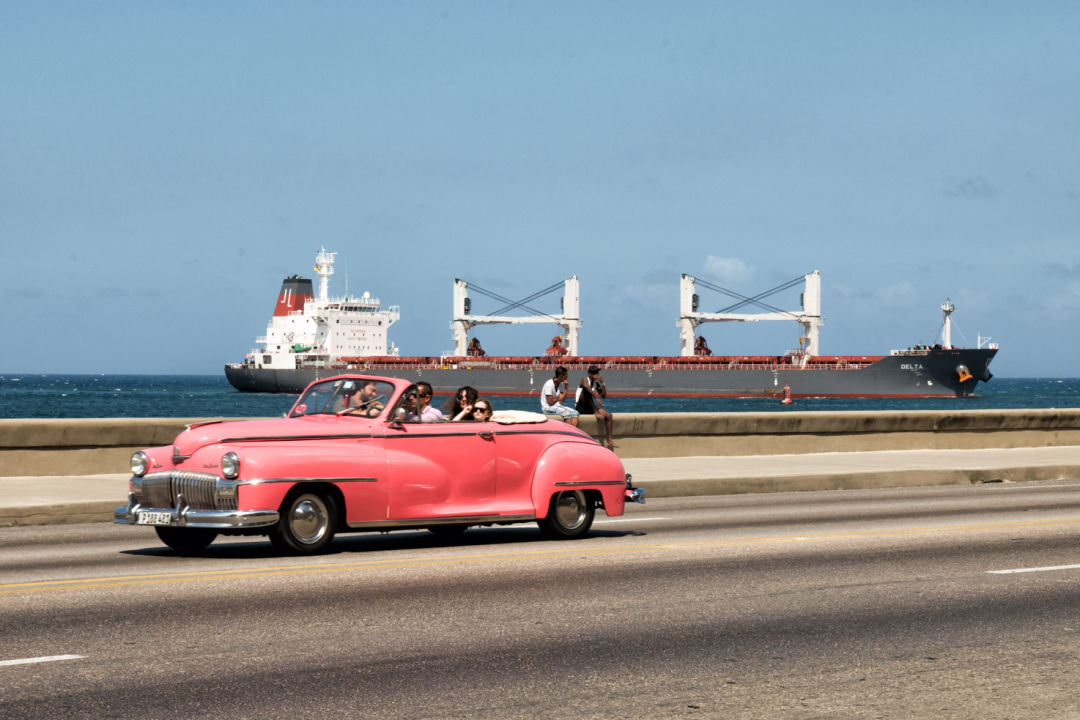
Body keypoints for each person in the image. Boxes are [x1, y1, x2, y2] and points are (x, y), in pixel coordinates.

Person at [576, 365, 615, 449]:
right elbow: (586, 387)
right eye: (594, 372)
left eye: (597, 372)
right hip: (580, 406)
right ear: (589, 373)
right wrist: (596, 397)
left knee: (609, 415)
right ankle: (595, 412)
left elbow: (604, 396)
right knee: (586, 391)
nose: (596, 374)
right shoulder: (585, 379)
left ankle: (609, 440)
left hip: (590, 406)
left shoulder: (596, 383)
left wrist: (603, 383)